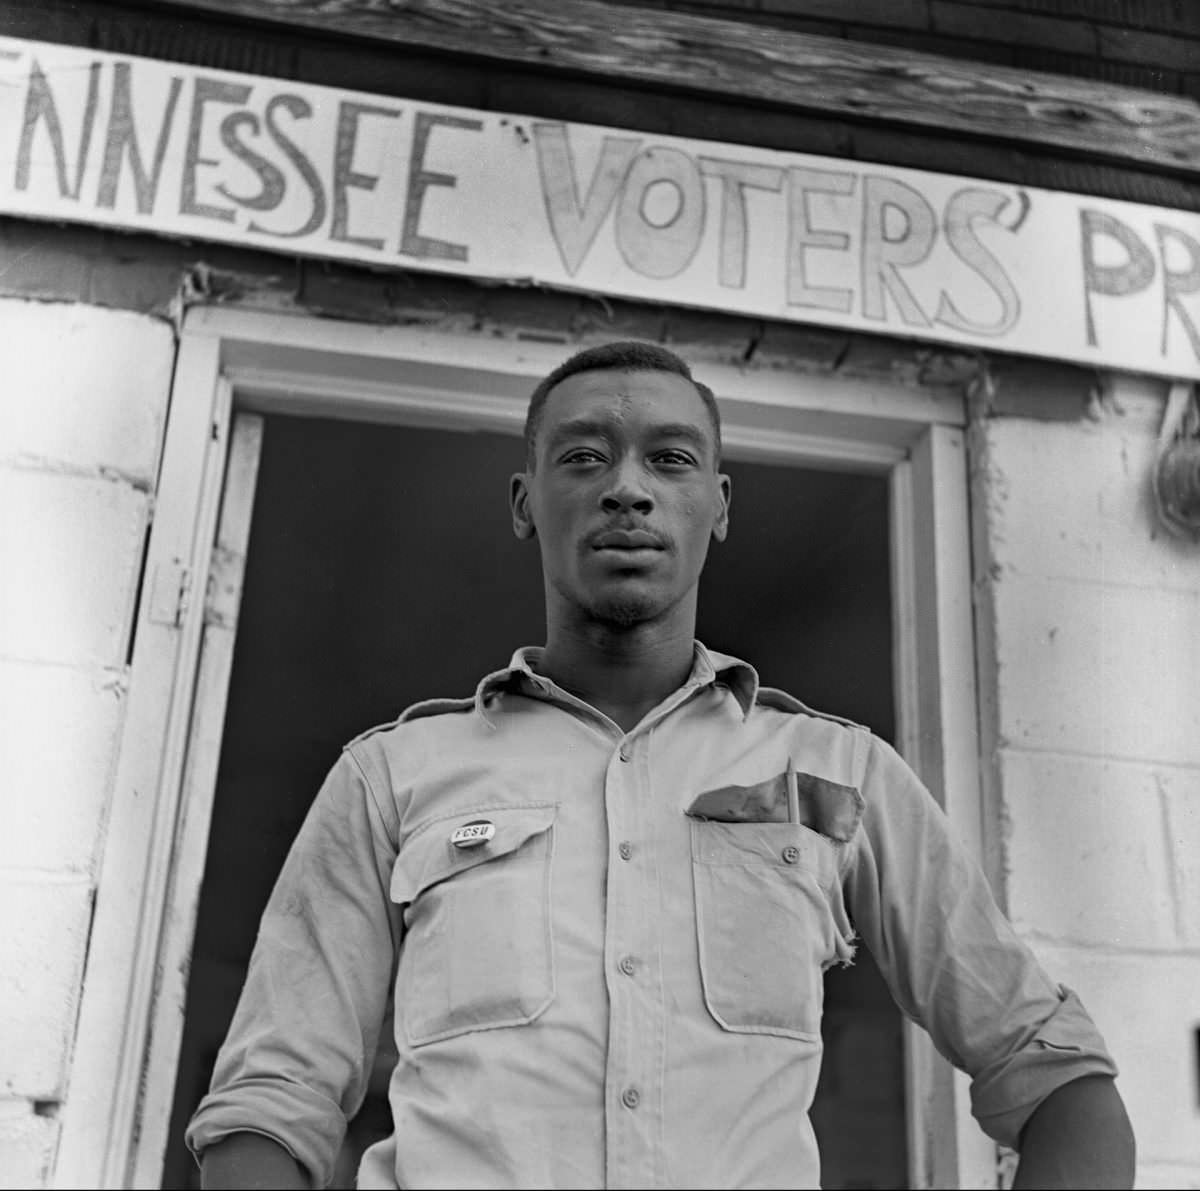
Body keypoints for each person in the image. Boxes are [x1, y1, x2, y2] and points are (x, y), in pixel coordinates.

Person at [187, 340, 1134, 1190]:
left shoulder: (840, 775)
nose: (627, 489)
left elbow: (1055, 1075)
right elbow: (268, 1104)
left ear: (716, 507)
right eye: (584, 457)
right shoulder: (390, 778)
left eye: (670, 459)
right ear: (526, 503)